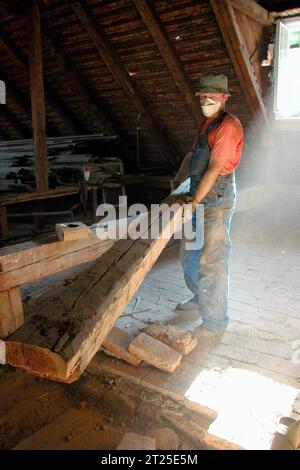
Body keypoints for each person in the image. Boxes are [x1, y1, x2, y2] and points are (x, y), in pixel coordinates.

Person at [173, 74, 244, 336]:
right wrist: (180, 181)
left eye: (212, 97)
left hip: (216, 198)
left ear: (224, 98)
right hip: (199, 194)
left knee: (211, 261)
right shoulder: (208, 124)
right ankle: (200, 298)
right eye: (203, 97)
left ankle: (215, 323)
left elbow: (214, 168)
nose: (206, 101)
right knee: (188, 254)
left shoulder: (229, 126)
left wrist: (195, 200)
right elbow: (195, 155)